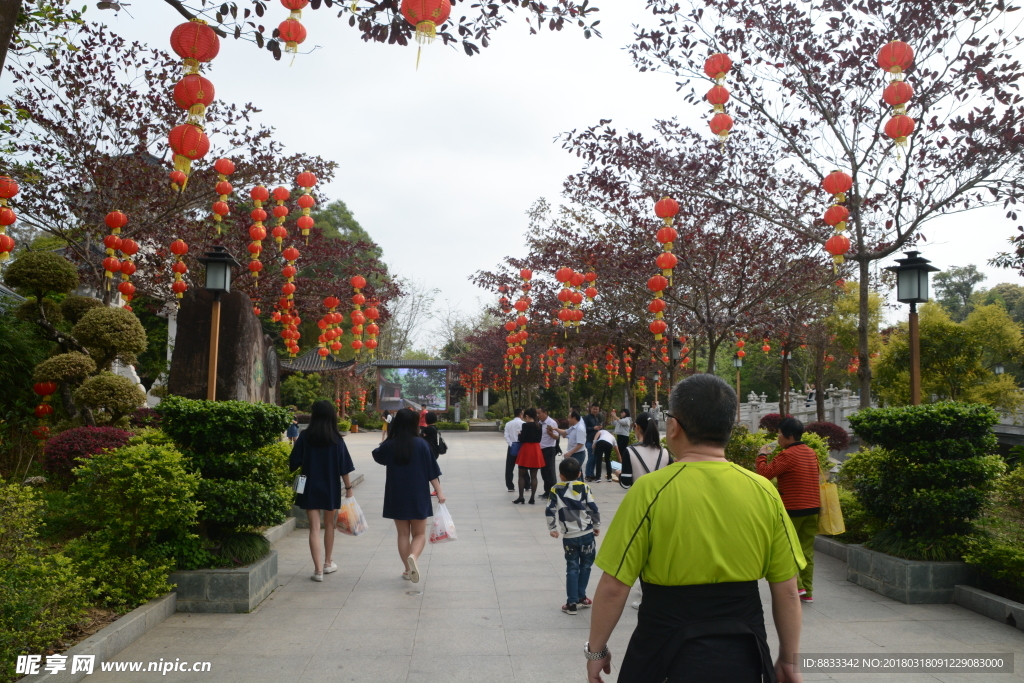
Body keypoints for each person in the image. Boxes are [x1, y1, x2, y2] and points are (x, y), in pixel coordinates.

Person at [585, 374, 806, 683]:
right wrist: (787, 658)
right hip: (744, 650)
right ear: (729, 429)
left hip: (664, 648)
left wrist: (596, 651)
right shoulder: (763, 490)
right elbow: (787, 590)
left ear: (674, 427)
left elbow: (613, 587)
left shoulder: (651, 490)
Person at [372, 408, 446, 583]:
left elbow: (377, 455)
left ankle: (407, 569)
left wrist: (389, 439)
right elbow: (432, 472)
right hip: (418, 493)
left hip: (396, 493)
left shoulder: (391, 444)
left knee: (403, 534)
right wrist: (440, 492)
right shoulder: (422, 444)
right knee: (419, 534)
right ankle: (413, 557)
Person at [756, 417, 821, 604]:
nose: (778, 438)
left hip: (794, 508)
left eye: (779, 434)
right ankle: (808, 592)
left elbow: (764, 474)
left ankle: (799, 586)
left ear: (789, 436)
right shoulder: (810, 452)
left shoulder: (788, 455)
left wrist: (762, 455)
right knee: (806, 550)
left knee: (789, 547)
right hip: (813, 507)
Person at [289, 400, 355, 582]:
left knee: (314, 528)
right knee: (329, 525)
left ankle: (317, 571)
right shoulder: (337, 440)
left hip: (309, 486)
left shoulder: (304, 437)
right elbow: (344, 467)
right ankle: (327, 563)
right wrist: (349, 489)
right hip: (331, 486)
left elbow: (293, 462)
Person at [546, 457, 601, 615]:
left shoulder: (556, 489)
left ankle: (571, 603)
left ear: (560, 475)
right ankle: (581, 596)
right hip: (587, 534)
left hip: (569, 537)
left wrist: (552, 528)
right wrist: (596, 526)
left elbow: (550, 510)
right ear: (579, 473)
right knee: (586, 566)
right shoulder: (584, 487)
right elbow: (593, 508)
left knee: (572, 568)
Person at [619, 412, 666, 487]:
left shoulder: (629, 451)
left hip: (639, 497)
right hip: (661, 498)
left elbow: (626, 484)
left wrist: (619, 475)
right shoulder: (664, 452)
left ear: (637, 427)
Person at [514, 408, 546, 505]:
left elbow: (522, 439)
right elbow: (539, 439)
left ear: (527, 416)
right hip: (536, 449)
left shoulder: (525, 425)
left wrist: (520, 434)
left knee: (521, 475)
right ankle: (532, 498)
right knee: (534, 476)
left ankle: (521, 497)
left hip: (526, 449)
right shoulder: (539, 425)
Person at [537, 407, 559, 499]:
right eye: (537, 414)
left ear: (545, 413)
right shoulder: (539, 423)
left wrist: (551, 434)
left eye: (539, 413)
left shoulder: (552, 423)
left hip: (549, 449)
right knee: (543, 471)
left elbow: (557, 437)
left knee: (550, 471)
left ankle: (553, 492)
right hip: (540, 449)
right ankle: (547, 491)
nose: (538, 415)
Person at [503, 408, 524, 493]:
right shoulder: (524, 424)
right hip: (521, 445)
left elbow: (506, 435)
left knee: (509, 467)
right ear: (521, 414)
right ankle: (526, 484)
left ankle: (510, 486)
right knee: (523, 466)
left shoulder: (508, 424)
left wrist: (511, 444)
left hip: (512, 445)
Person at [582, 404, 602, 480]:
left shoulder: (596, 418)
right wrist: (593, 428)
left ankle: (591, 474)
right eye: (594, 409)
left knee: (594, 458)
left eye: (597, 409)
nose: (595, 410)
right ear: (590, 409)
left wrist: (599, 428)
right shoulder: (586, 418)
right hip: (590, 441)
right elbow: (583, 429)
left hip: (596, 441)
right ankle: (588, 474)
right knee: (591, 458)